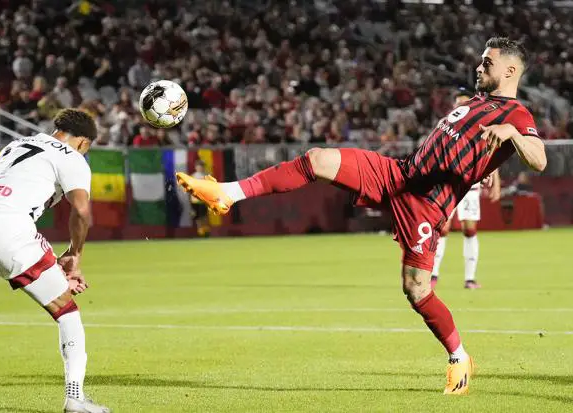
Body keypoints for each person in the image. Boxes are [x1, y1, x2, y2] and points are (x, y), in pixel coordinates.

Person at [175, 37, 547, 395]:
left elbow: (540, 158)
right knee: (317, 159)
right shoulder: (478, 102)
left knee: (417, 290)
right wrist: (490, 161)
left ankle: (459, 357)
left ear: (511, 70)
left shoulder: (517, 114)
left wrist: (512, 133)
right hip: (398, 173)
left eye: (488, 62)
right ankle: (228, 192)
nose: (479, 66)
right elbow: (474, 146)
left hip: (425, 204)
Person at [0, 109, 110, 413]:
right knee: (67, 312)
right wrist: (74, 255)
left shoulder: (16, 145)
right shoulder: (73, 158)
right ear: (84, 143)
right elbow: (82, 211)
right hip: (12, 231)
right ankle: (75, 398)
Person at [431, 88, 502, 290]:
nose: (461, 105)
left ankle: (469, 279)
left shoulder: (480, 127)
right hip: (448, 184)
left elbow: (491, 155)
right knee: (442, 229)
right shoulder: (445, 125)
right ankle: (433, 274)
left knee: (469, 230)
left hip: (470, 186)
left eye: (465, 102)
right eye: (458, 102)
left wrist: (495, 182)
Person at [190, 160, 210, 237]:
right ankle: (200, 232)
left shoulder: (207, 176)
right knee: (197, 217)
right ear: (196, 167)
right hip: (195, 200)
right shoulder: (193, 176)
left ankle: (206, 231)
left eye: (202, 166)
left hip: (204, 200)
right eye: (199, 166)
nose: (200, 168)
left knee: (204, 216)